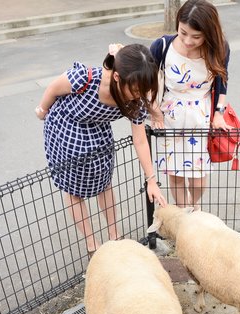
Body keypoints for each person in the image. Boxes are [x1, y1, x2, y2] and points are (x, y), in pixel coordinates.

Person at [35, 43, 167, 256]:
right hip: (66, 125)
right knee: (73, 188)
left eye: (143, 90)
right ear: (117, 78)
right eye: (134, 90)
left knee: (104, 179)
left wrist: (151, 180)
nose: (138, 95)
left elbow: (140, 140)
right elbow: (53, 88)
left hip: (97, 127)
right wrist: (41, 110)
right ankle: (91, 243)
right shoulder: (86, 79)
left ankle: (114, 236)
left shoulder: (135, 100)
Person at [150, 0, 231, 209]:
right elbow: (147, 82)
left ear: (208, 33)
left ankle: (193, 207)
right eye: (183, 32)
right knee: (175, 173)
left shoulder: (219, 48)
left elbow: (222, 82)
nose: (187, 40)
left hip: (201, 117)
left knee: (198, 177)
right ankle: (185, 214)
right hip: (169, 116)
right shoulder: (162, 46)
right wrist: (155, 112)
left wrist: (219, 113)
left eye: (196, 36)